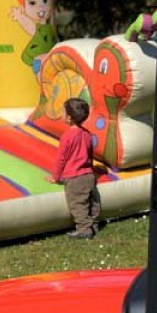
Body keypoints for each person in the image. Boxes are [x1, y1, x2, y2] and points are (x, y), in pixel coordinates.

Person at [46, 98, 101, 239]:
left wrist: (55, 177)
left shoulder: (67, 137)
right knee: (92, 202)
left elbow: (61, 159)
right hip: (88, 175)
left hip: (74, 177)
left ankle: (84, 229)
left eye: (63, 111)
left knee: (78, 204)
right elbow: (89, 155)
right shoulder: (87, 134)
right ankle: (94, 224)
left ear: (69, 118)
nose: (62, 114)